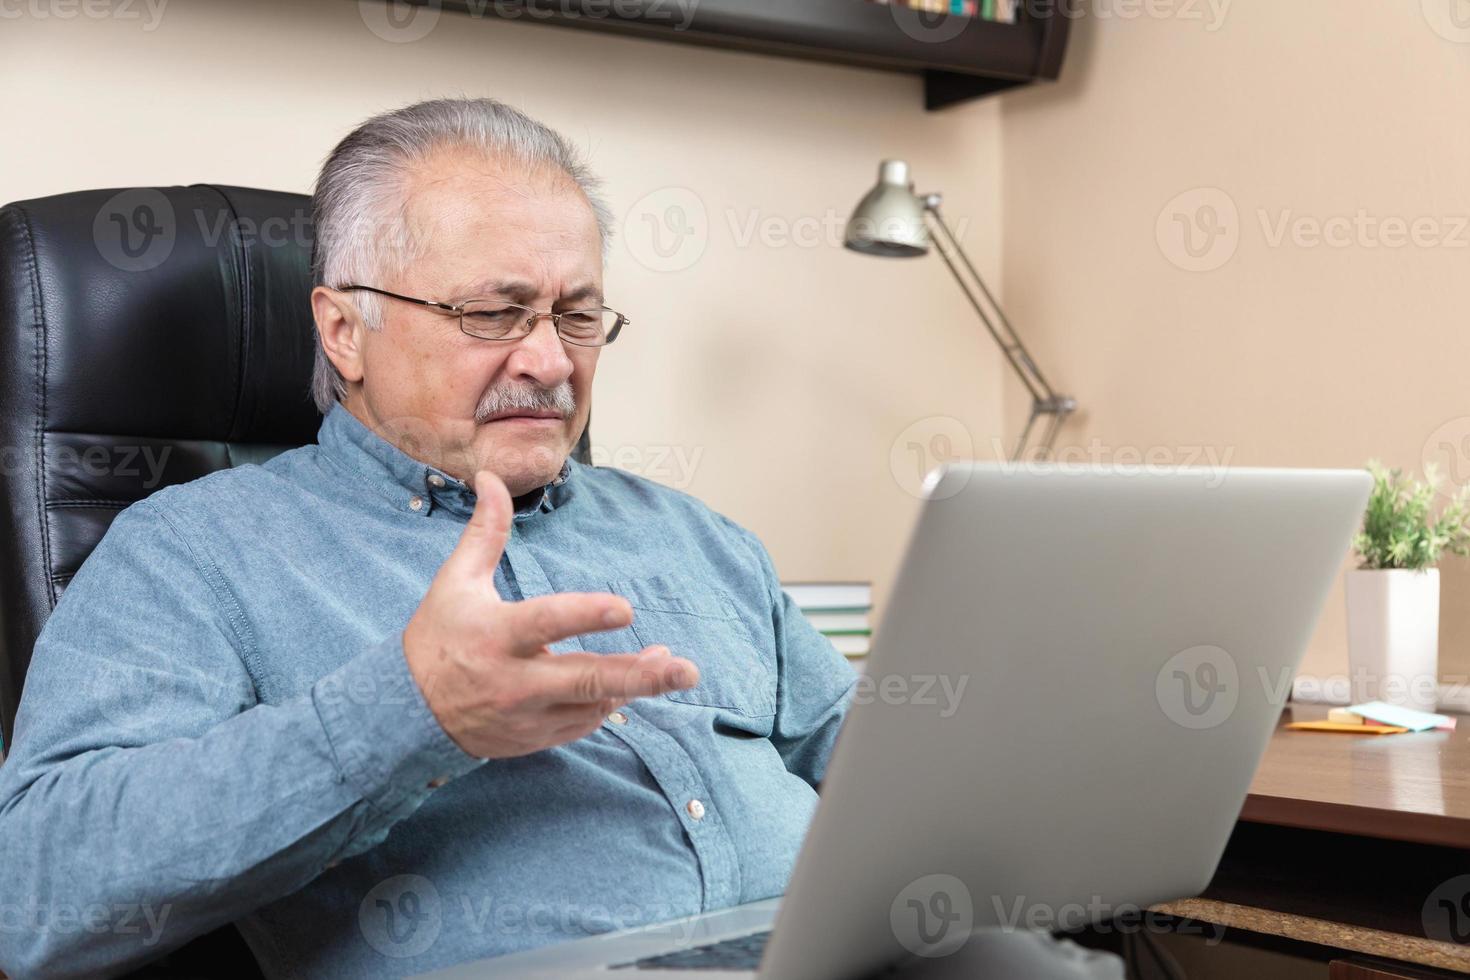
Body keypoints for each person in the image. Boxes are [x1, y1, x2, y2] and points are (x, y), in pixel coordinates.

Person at [0, 97, 857, 979]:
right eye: (494, 314)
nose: (552, 362)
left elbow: (879, 773)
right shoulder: (194, 552)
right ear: (344, 331)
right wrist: (414, 709)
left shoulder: (696, 536)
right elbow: (32, 895)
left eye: (577, 316)